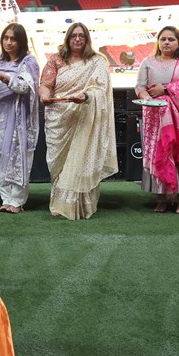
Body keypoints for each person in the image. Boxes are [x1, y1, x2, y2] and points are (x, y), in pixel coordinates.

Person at [40, 22, 117, 219]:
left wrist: (87, 96)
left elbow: (100, 89)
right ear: (67, 38)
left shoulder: (97, 62)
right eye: (74, 35)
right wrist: (44, 96)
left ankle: (81, 204)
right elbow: (46, 84)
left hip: (85, 115)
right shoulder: (56, 59)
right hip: (59, 116)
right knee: (59, 163)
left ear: (87, 39)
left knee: (82, 158)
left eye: (81, 36)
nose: (77, 39)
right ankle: (60, 201)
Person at [136, 26, 179, 213]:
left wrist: (165, 89)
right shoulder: (147, 62)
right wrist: (146, 97)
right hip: (154, 117)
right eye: (163, 39)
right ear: (158, 42)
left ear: (178, 42)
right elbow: (140, 86)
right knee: (160, 153)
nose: (166, 42)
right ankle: (161, 198)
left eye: (171, 39)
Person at [0, 23, 40, 213]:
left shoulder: (28, 62)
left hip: (18, 117)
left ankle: (17, 201)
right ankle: (5, 198)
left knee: (18, 157)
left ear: (21, 41)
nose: (8, 42)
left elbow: (26, 88)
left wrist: (5, 77)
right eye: (6, 38)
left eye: (13, 39)